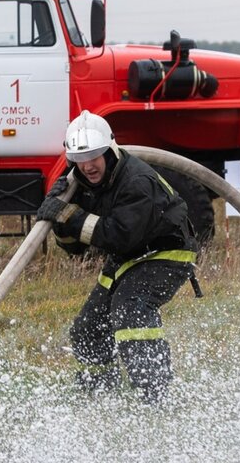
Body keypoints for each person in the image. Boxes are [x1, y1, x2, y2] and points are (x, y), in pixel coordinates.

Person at [37, 110, 197, 403]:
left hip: (164, 254)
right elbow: (76, 249)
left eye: (94, 156)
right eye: (79, 160)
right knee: (88, 327)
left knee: (131, 309)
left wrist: (70, 215)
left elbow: (118, 236)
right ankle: (98, 392)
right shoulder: (80, 184)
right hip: (125, 260)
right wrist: (60, 219)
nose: (87, 166)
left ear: (109, 150)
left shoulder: (137, 182)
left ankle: (154, 395)